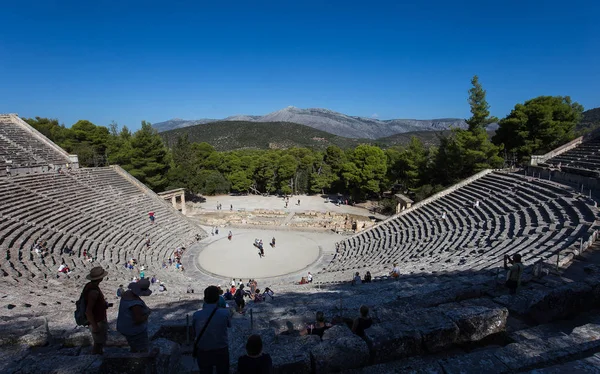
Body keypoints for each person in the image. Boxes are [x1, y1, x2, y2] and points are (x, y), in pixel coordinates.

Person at [192, 286, 232, 374]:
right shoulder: (225, 313)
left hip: (203, 349)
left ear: (204, 299)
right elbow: (229, 325)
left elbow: (194, 332)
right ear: (218, 299)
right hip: (221, 349)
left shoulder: (196, 315)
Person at [117, 279, 152, 352]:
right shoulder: (135, 304)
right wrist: (147, 314)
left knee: (133, 346)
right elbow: (138, 320)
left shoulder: (127, 293)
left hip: (124, 326)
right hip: (134, 330)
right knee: (141, 348)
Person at [83, 266, 110, 355]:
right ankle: (96, 360)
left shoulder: (90, 286)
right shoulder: (93, 292)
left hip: (97, 318)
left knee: (99, 343)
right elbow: (88, 310)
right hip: (97, 320)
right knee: (98, 343)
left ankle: (98, 357)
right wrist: (95, 326)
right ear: (100, 278)